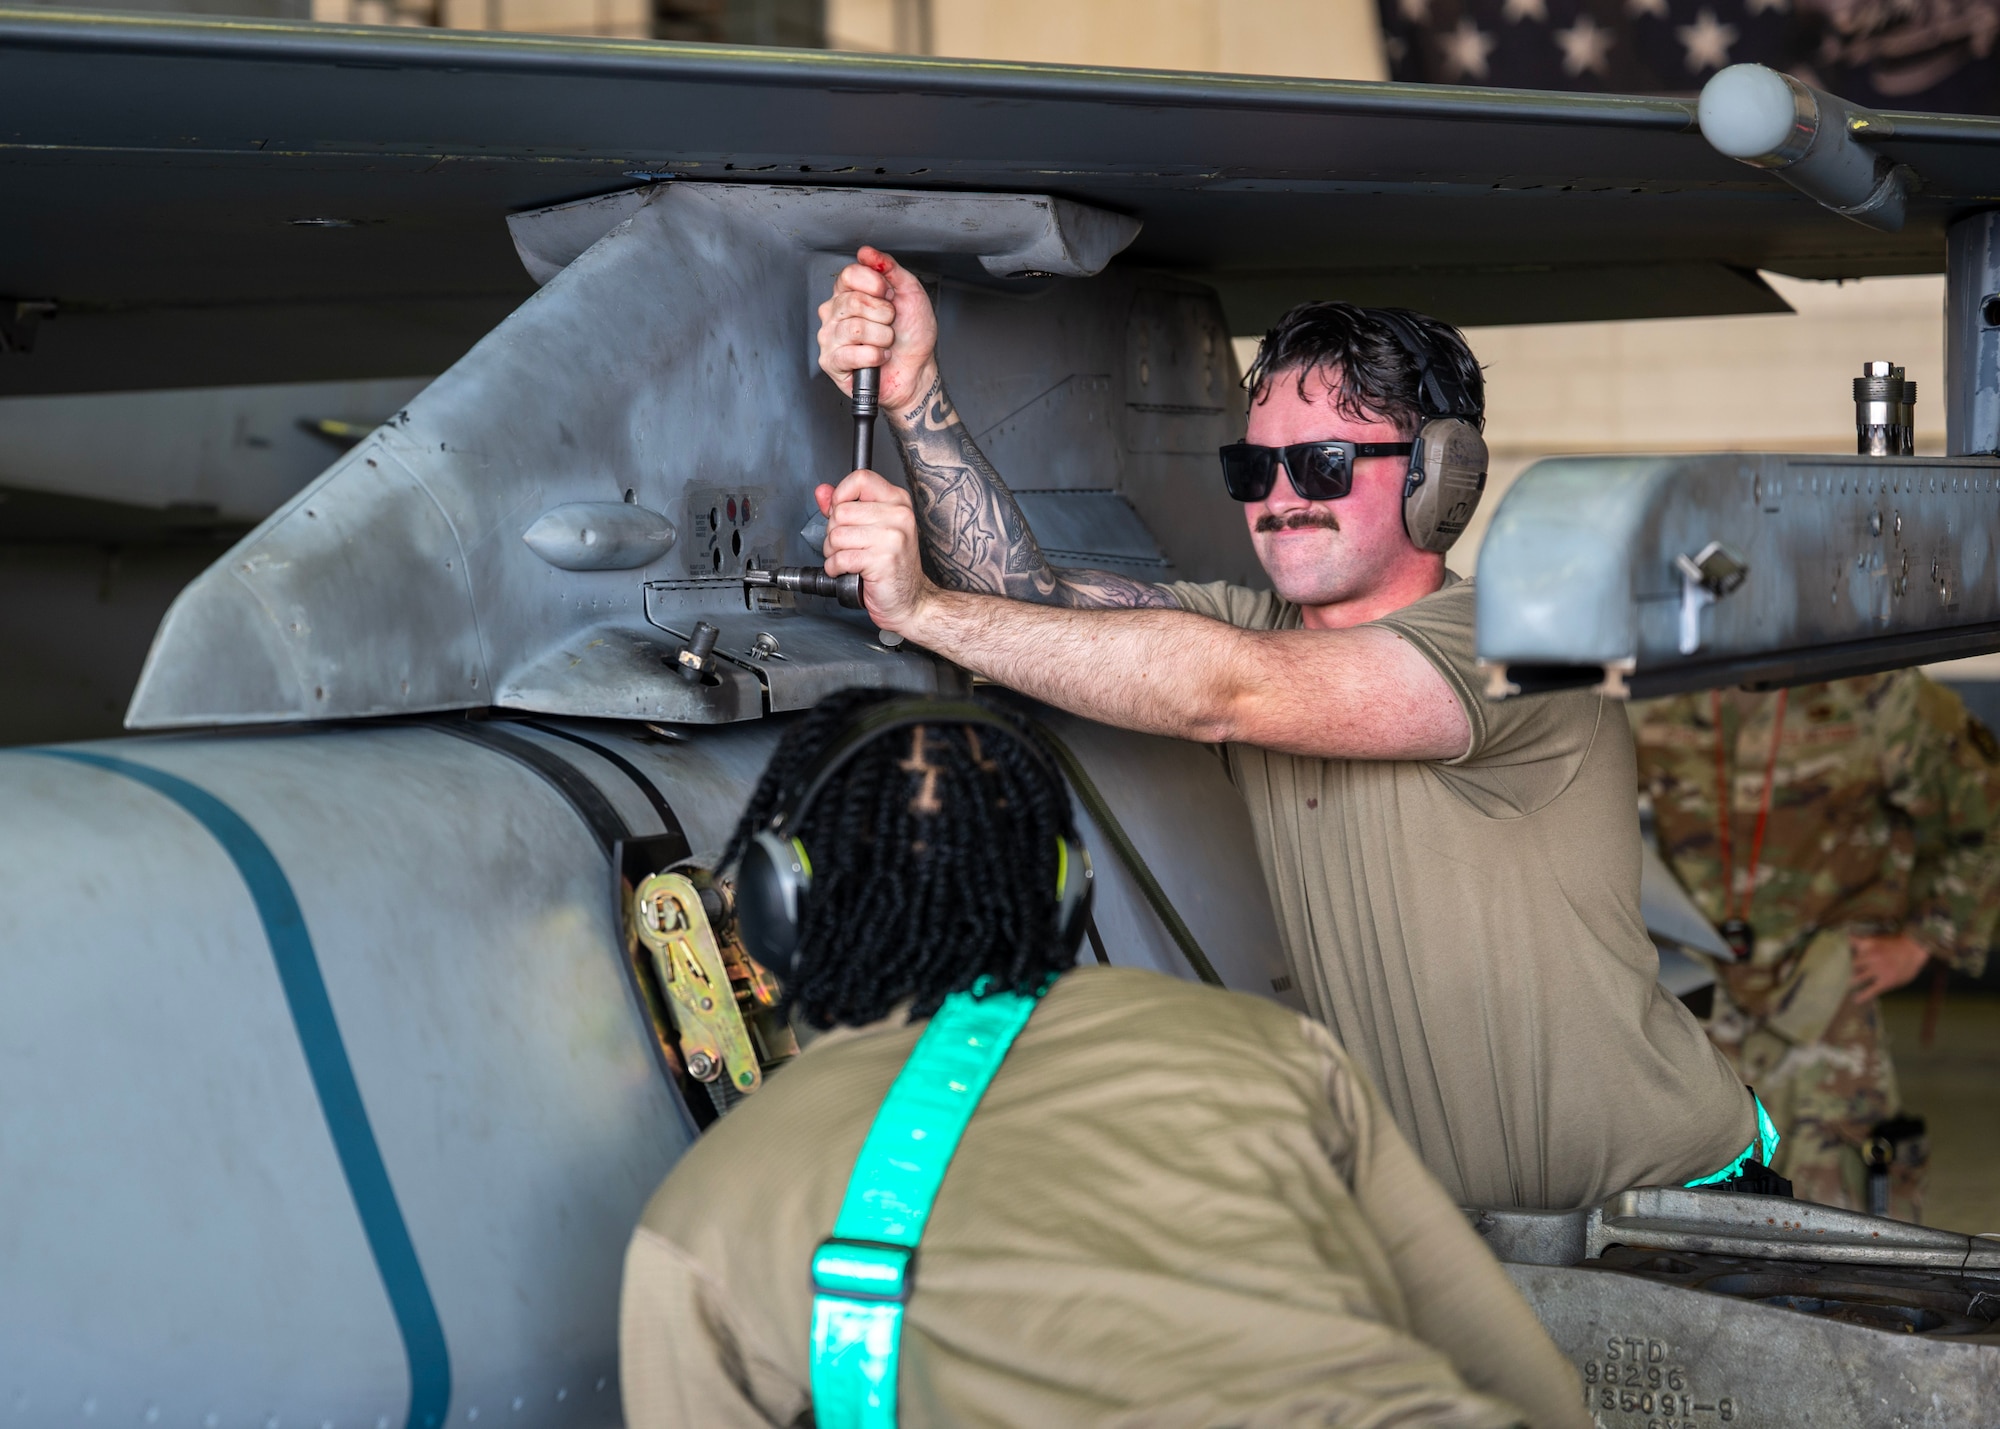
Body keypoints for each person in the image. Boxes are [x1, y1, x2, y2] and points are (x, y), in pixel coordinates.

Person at [808, 248, 1754, 1210]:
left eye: (1324, 463)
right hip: (1485, 1250)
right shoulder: (1250, 626)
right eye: (1255, 467)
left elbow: (1223, 692)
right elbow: (1029, 597)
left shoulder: (1526, 641)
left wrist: (919, 611)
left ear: (1440, 477)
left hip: (1673, 1217)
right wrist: (914, 392)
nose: (1281, 496)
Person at [619, 690, 1589, 1428]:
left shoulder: (704, 1218)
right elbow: (1533, 1391)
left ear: (770, 908)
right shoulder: (1262, 1049)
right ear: (1065, 893)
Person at [1633, 674, 2000, 1220]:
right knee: (1692, 1218)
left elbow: (1983, 806)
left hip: (1828, 996)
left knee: (1847, 1220)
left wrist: (1923, 940)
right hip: (1699, 994)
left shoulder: (1876, 692)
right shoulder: (1655, 694)